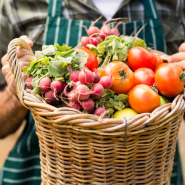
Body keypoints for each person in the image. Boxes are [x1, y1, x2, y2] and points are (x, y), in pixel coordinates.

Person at [0, 0, 185, 184]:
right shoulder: (19, 4)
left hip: (149, 168)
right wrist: (19, 88)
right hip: (47, 170)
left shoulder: (175, 3)